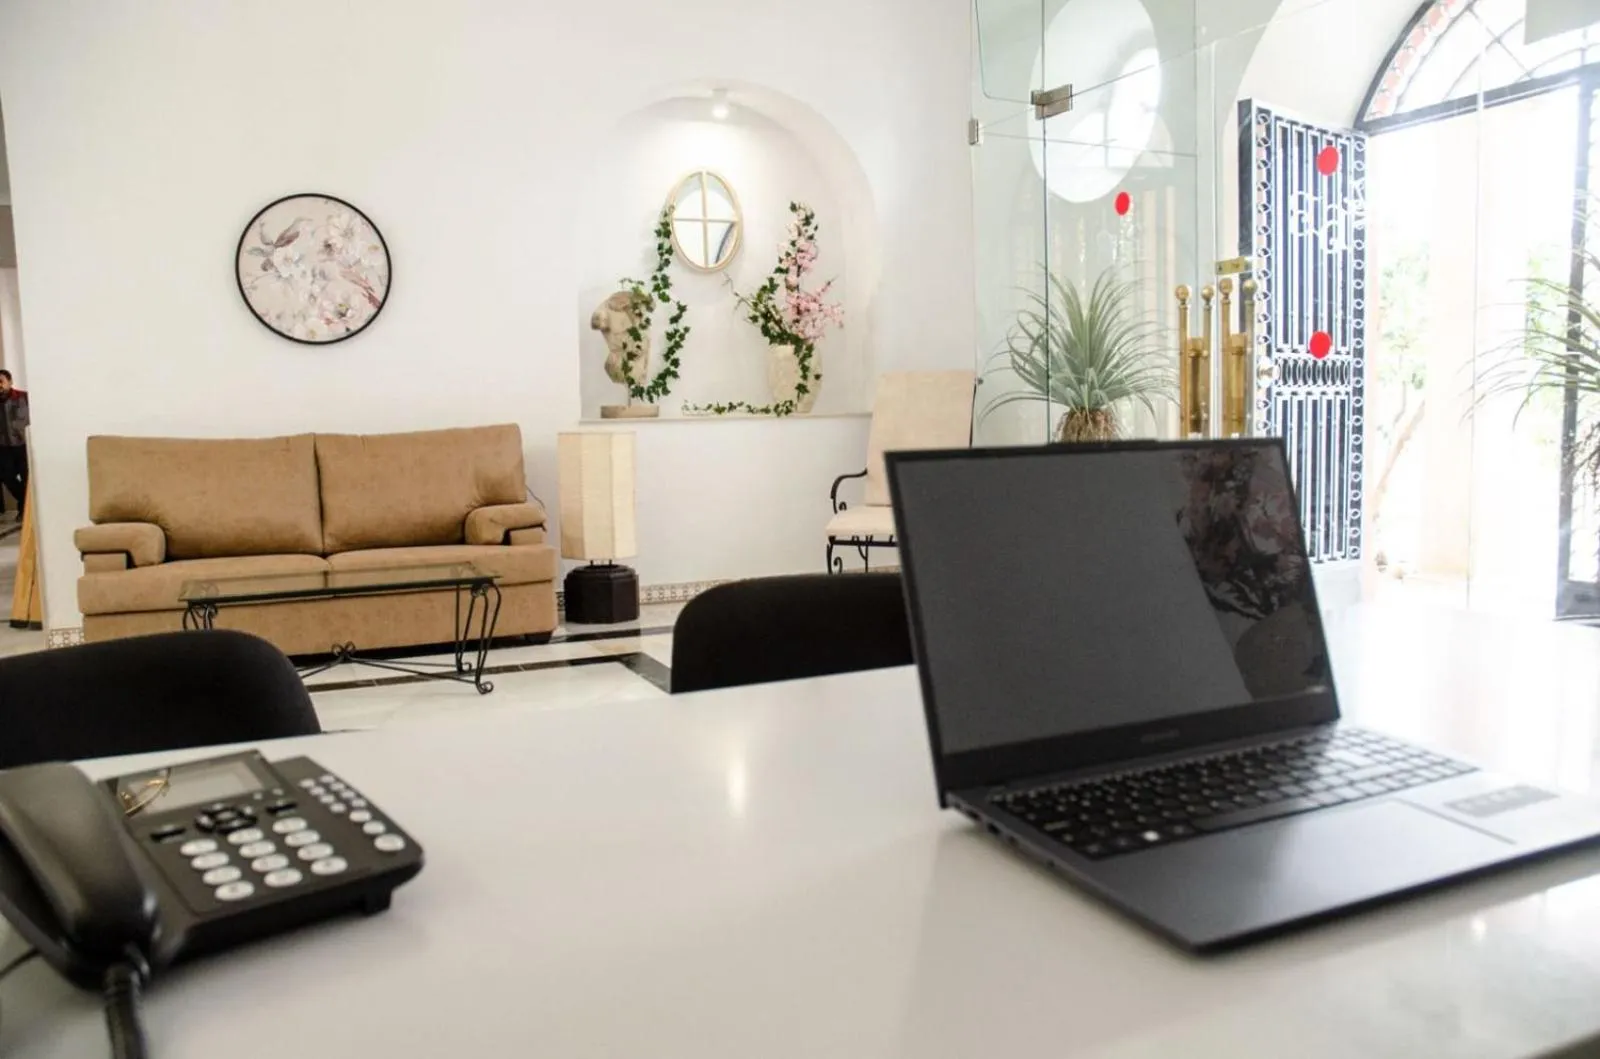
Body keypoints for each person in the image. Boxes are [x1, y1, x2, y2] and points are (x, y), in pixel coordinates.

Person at [0, 371, 29, 521]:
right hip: (4, 446)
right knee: (6, 476)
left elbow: (24, 420)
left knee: (26, 477)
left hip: (22, 444)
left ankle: (24, 509)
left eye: (1, 381)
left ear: (10, 382)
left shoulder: (23, 397)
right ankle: (24, 501)